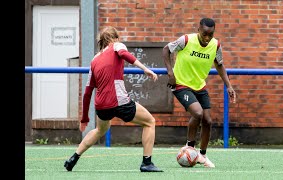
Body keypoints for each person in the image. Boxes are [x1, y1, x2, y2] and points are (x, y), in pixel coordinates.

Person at [64, 26, 163, 172]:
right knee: (150, 122)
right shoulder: (116, 45)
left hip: (101, 105)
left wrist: (84, 118)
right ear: (114, 38)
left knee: (99, 130)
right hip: (118, 101)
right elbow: (125, 54)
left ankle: (73, 158)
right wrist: (145, 68)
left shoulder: (94, 59)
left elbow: (87, 92)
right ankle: (147, 163)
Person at [162, 17, 236, 168]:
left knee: (208, 121)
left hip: (199, 86)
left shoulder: (216, 45)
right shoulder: (186, 40)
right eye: (204, 34)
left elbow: (220, 65)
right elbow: (166, 49)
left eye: (211, 34)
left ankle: (202, 155)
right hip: (180, 84)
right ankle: (189, 147)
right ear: (198, 30)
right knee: (197, 113)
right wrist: (170, 73)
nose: (207, 38)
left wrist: (229, 86)